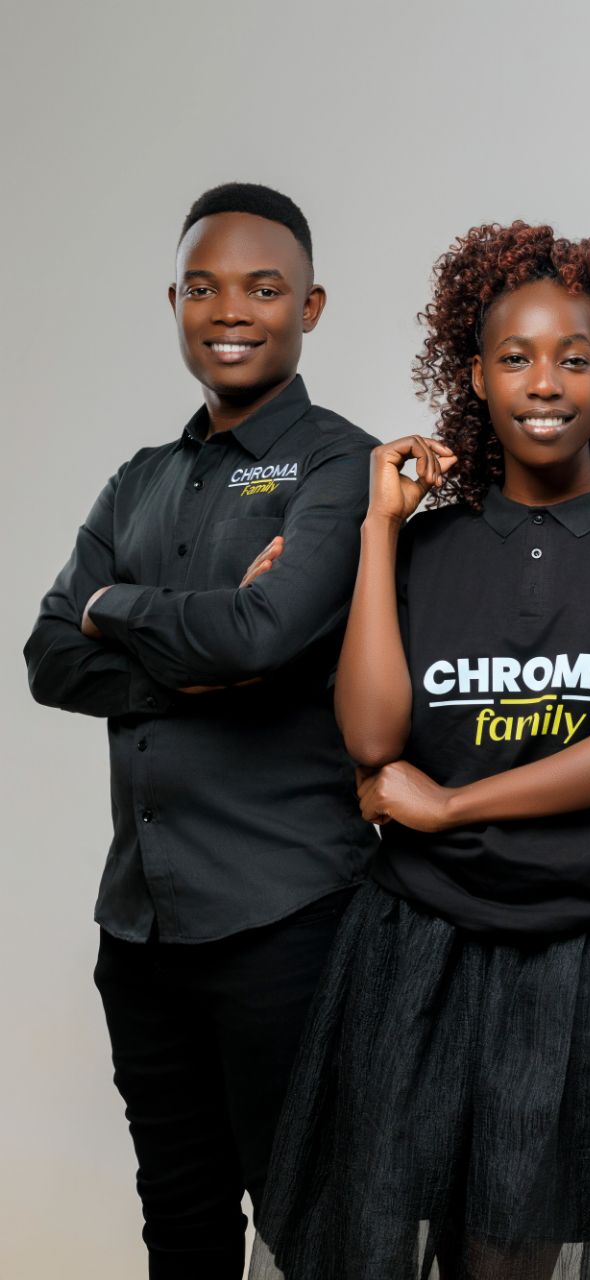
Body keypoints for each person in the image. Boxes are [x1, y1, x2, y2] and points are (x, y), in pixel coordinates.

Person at [250, 222, 590, 1280]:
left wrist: (454, 805)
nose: (543, 383)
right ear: (474, 375)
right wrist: (379, 530)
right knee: (401, 1242)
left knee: (515, 1254)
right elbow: (371, 737)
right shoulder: (426, 544)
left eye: (573, 357)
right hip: (422, 949)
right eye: (514, 356)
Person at [24, 182, 379, 1279]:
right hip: (139, 934)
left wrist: (115, 606)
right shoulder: (138, 480)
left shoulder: (340, 467)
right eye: (202, 287)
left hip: (288, 922)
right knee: (179, 1230)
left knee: (314, 1233)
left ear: (310, 307)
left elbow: (263, 634)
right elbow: (48, 657)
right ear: (173, 301)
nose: (230, 311)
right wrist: (209, 652)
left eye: (263, 289)